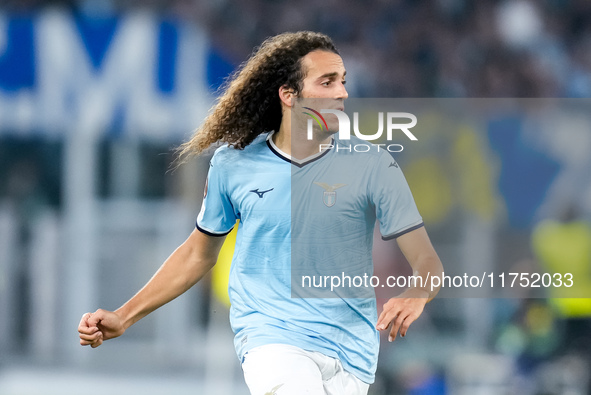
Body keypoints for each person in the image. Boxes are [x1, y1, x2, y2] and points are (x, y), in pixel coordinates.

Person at [78, 31, 443, 395]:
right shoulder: (233, 165)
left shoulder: (373, 164)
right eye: (328, 82)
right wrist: (123, 317)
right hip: (274, 340)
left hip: (353, 354)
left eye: (343, 82)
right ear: (289, 95)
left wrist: (416, 293)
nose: (342, 93)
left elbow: (428, 261)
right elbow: (196, 254)